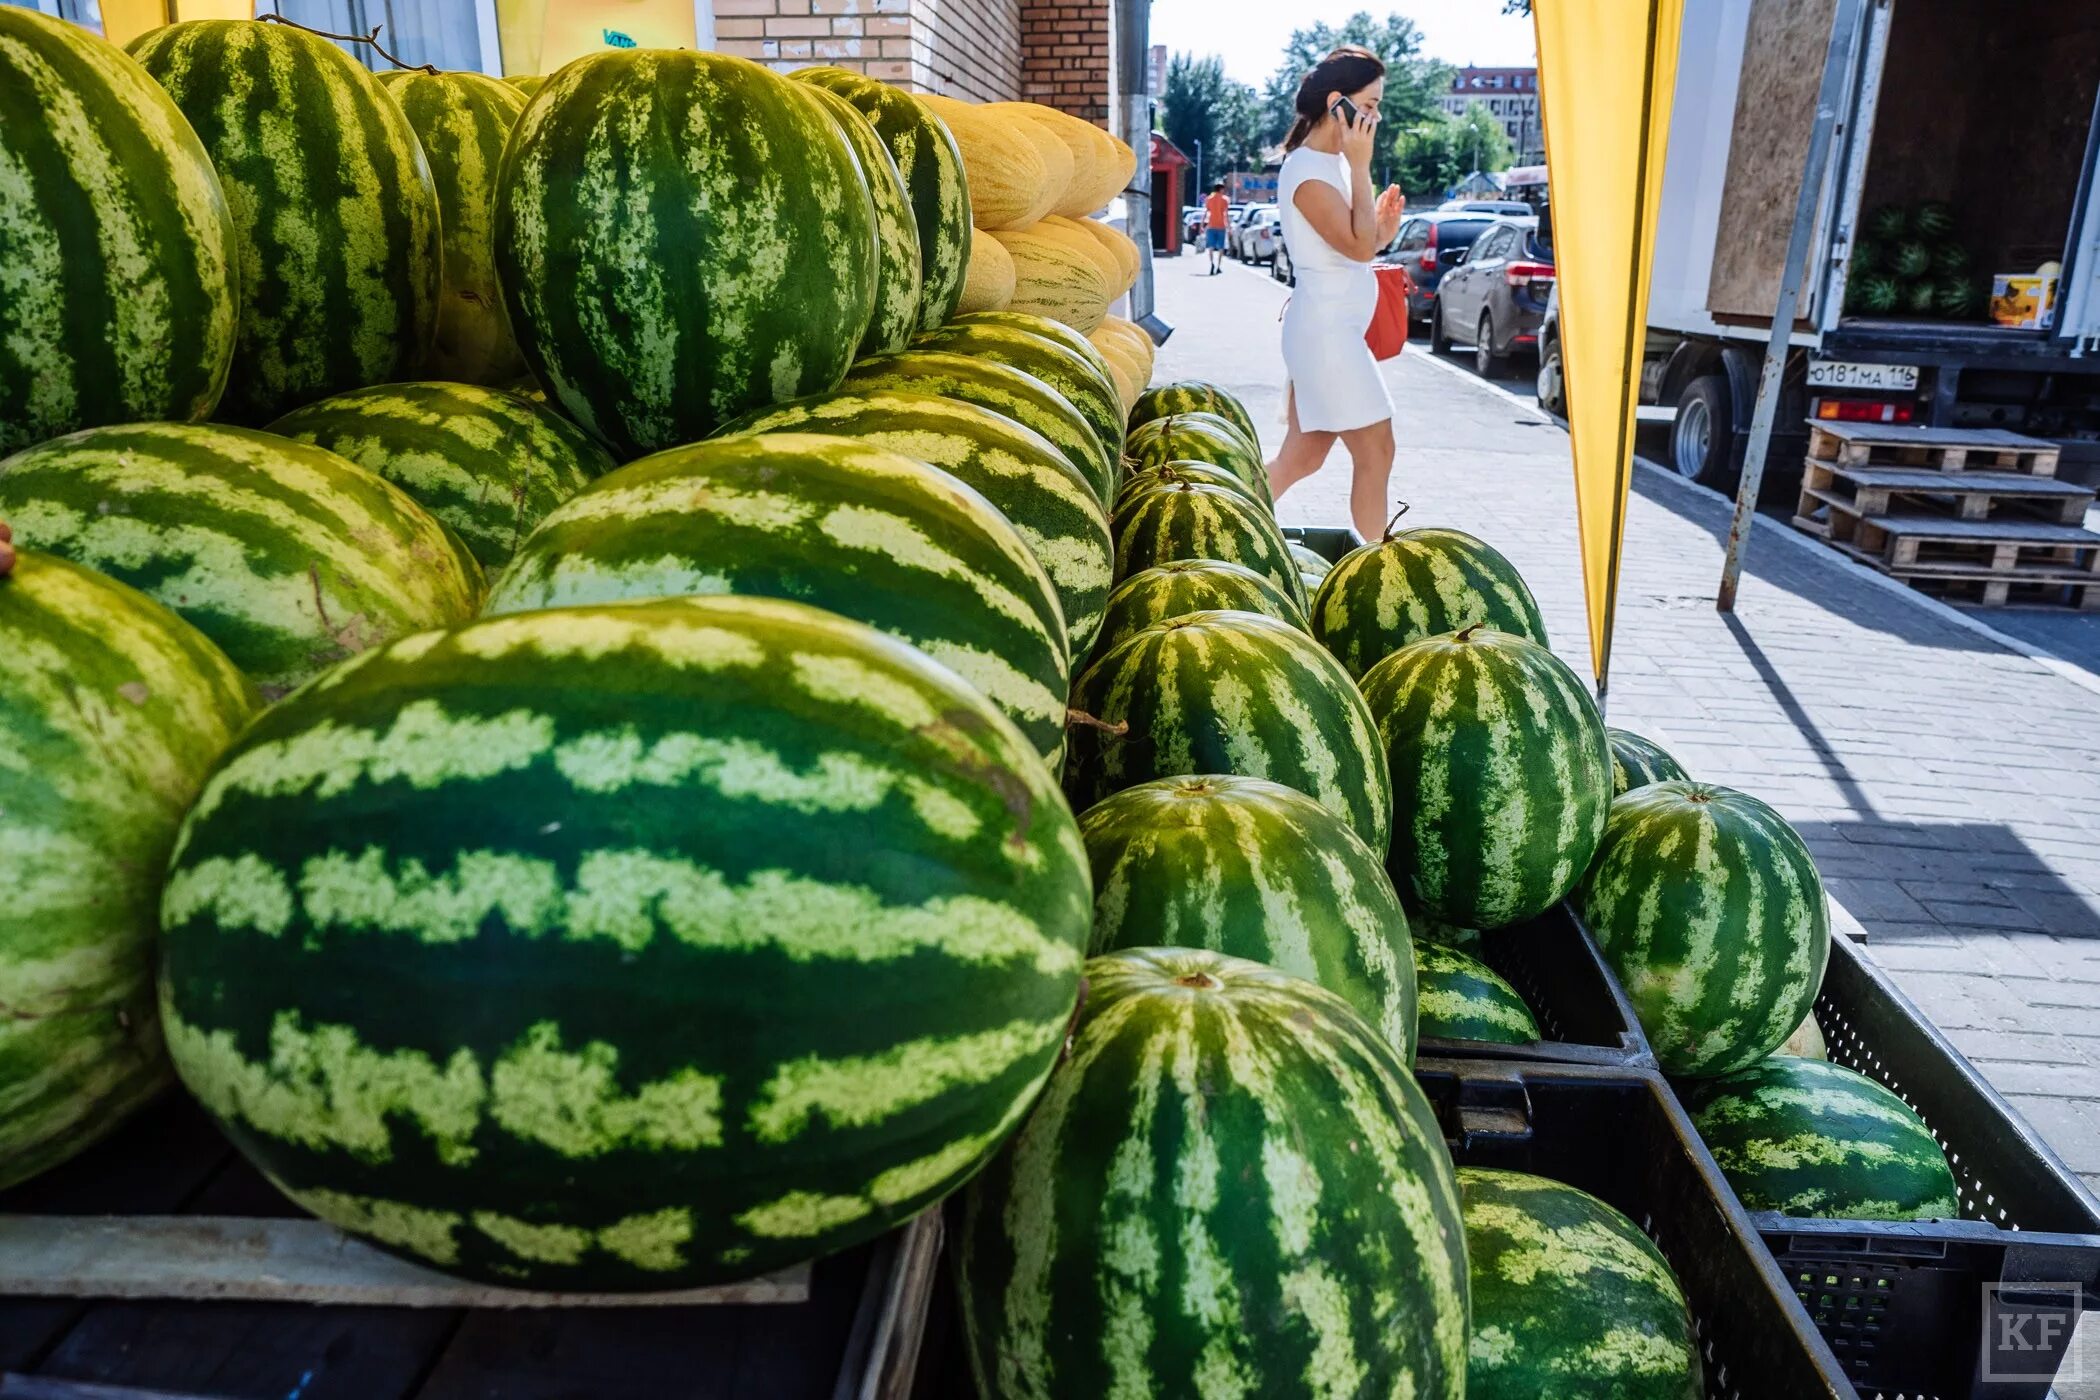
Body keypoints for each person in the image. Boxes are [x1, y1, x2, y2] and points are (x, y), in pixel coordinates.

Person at [1267, 45, 1406, 540]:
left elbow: (1361, 245)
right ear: (1336, 104)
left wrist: (1384, 229)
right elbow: (1355, 247)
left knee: (1301, 457)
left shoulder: (1336, 166)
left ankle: (1225, 521)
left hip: (1332, 331)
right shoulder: (1307, 171)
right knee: (1377, 450)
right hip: (1327, 336)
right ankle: (1383, 570)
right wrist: (1364, 169)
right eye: (1368, 105)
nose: (1376, 116)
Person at [1203, 181, 1230, 275]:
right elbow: (1226, 214)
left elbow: (1206, 212)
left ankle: (1212, 263)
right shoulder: (1225, 200)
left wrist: (1202, 225)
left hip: (1211, 225)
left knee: (1211, 247)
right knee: (1221, 248)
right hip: (1221, 226)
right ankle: (1218, 266)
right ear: (1221, 189)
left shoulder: (1209, 199)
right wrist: (1229, 227)